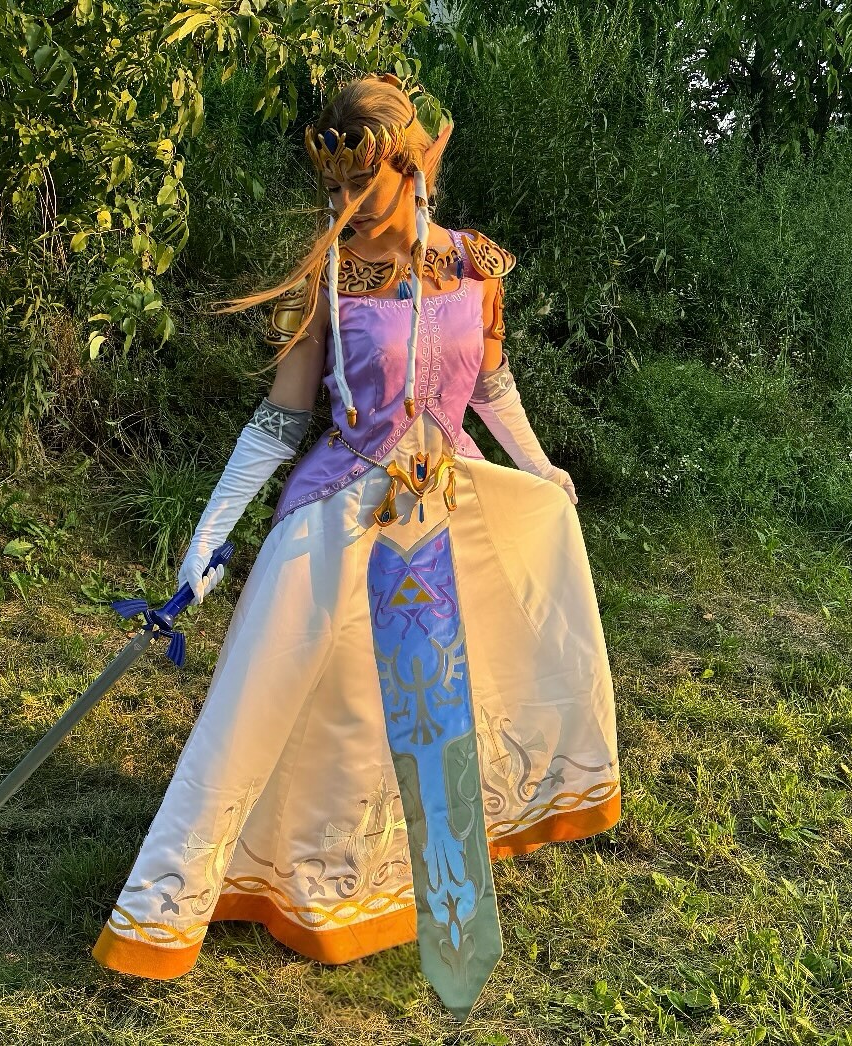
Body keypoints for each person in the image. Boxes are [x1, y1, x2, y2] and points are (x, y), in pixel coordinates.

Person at [91, 73, 620, 1022]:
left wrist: (539, 467)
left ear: (411, 167)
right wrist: (208, 538)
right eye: (331, 186)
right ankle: (301, 877)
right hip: (342, 511)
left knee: (434, 700)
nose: (341, 204)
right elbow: (278, 422)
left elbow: (490, 387)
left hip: (447, 503)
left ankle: (415, 870)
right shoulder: (329, 277)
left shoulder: (474, 265)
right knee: (335, 707)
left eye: (359, 184)